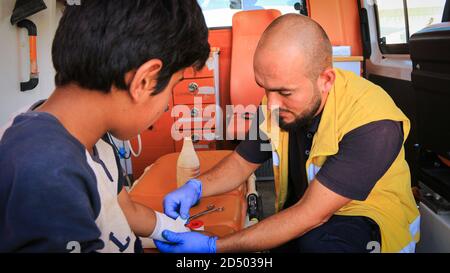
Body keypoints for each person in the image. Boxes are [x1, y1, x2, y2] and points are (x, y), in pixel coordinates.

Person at [156, 14, 420, 253]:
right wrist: (196, 187)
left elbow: (309, 215)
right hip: (309, 214)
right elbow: (241, 162)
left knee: (315, 246)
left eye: (284, 92)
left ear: (325, 79)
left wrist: (216, 247)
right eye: (265, 88)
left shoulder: (373, 123)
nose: (270, 104)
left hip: (371, 226)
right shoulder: (276, 103)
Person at [0, 0, 210, 253]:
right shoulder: (45, 171)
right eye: (174, 85)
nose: (166, 106)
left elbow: (125, 209)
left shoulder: (89, 131)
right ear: (143, 81)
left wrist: (175, 228)